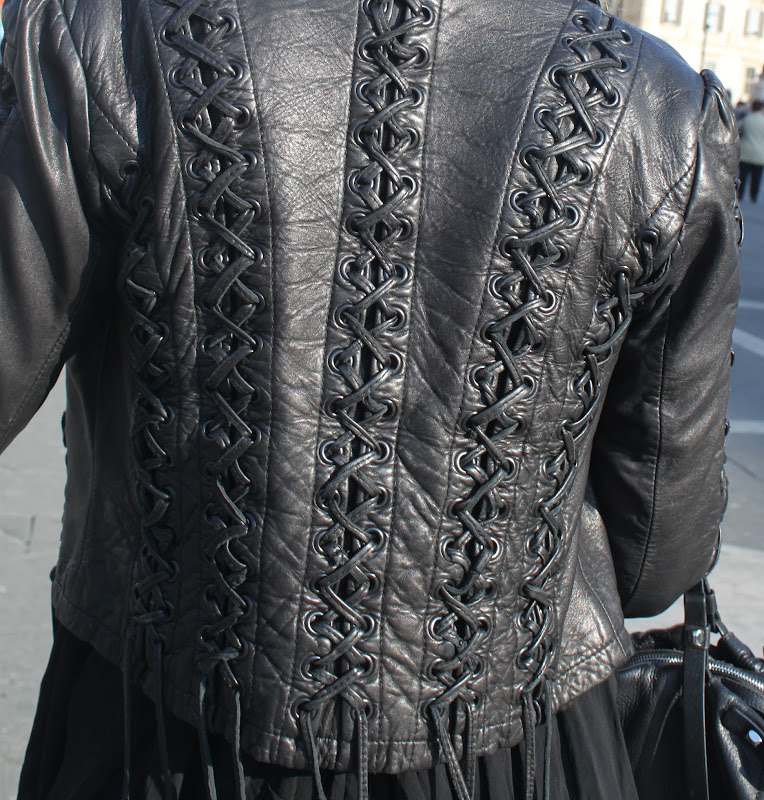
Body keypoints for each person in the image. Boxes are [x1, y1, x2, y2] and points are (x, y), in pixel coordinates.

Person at [0, 0, 739, 798]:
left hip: (159, 729)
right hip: (512, 746)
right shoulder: (653, 105)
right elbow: (656, 558)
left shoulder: (112, 35)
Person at [739, 100, 764, 203]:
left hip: (745, 152)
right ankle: (753, 196)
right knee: (756, 177)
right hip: (759, 154)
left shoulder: (746, 119)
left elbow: (738, 129)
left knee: (743, 176)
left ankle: (740, 194)